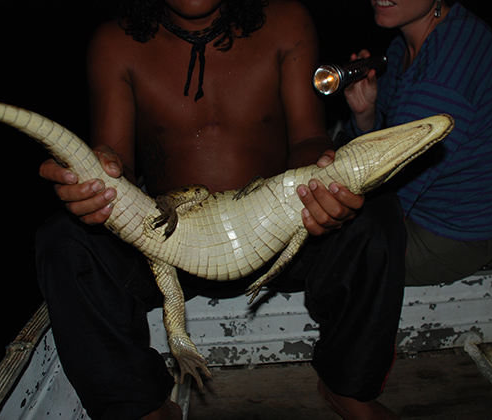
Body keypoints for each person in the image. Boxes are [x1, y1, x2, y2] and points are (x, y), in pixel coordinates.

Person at [37, 0, 406, 418]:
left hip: (278, 234)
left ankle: (349, 387)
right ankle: (141, 405)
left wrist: (324, 181)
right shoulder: (113, 42)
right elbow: (115, 166)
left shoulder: (287, 20)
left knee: (377, 213)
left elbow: (307, 137)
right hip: (171, 245)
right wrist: (95, 178)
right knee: (65, 240)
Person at [340, 0, 492, 286]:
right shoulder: (401, 48)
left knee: (331, 260)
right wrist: (365, 114)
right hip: (408, 204)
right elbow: (382, 151)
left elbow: (390, 188)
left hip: (453, 234)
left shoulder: (454, 57)